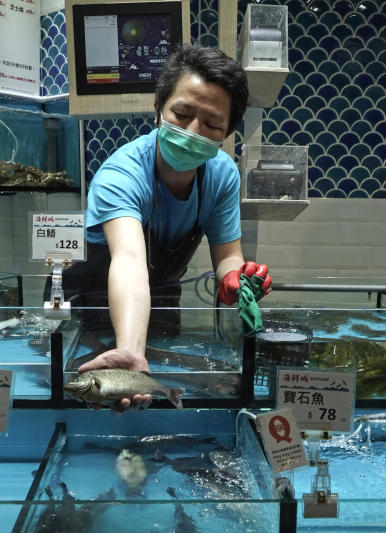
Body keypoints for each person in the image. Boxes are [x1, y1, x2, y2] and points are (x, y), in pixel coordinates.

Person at [57, 44, 271, 411]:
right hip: (91, 302)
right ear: (158, 110)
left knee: (162, 400)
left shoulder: (221, 175)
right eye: (182, 113)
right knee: (85, 398)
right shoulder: (121, 174)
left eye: (212, 123)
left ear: (226, 133)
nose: (193, 130)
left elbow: (227, 254)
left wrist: (236, 278)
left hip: (162, 297)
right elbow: (128, 261)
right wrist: (130, 351)